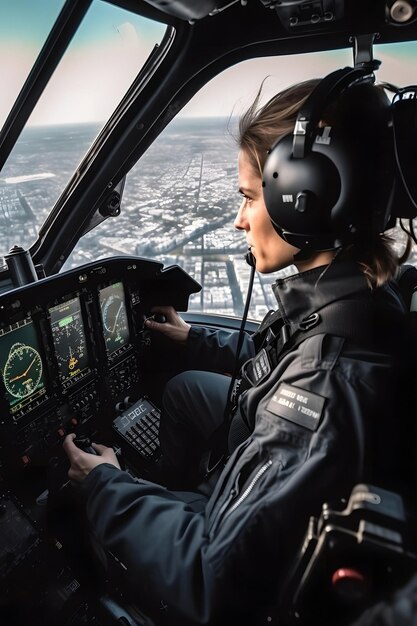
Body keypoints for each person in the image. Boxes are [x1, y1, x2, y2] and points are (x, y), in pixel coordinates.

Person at [63, 74, 411, 626]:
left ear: (305, 197)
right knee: (183, 389)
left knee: (86, 528)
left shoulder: (321, 394)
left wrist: (106, 484)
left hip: (233, 579)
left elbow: (213, 580)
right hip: (270, 504)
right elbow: (286, 349)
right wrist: (195, 339)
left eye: (250, 196)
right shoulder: (362, 291)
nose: (239, 218)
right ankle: (177, 492)